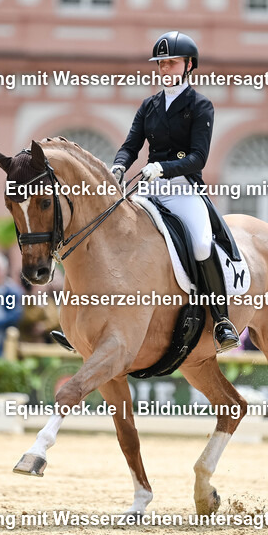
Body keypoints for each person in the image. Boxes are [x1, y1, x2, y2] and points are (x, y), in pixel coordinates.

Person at [108, 30, 240, 353]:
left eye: (172, 62)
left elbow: (198, 157)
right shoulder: (149, 105)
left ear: (189, 65)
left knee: (201, 245)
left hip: (184, 190)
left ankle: (221, 320)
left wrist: (163, 168)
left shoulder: (200, 105)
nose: (165, 68)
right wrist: (118, 166)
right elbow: (130, 146)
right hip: (149, 190)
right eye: (161, 63)